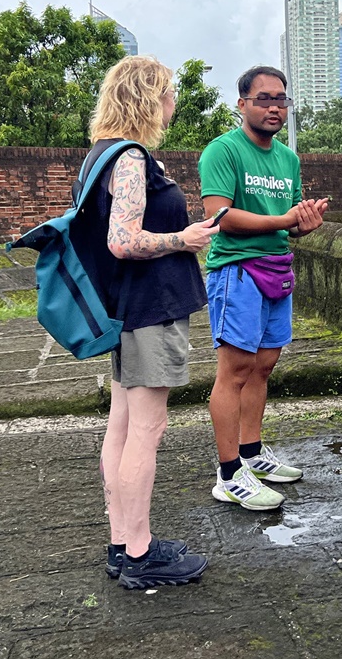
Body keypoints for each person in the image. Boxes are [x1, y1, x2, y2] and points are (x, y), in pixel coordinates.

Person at [86, 56, 219, 589]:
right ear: (147, 98)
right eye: (167, 94)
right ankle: (139, 555)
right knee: (146, 428)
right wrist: (182, 239)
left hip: (125, 308)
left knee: (121, 424)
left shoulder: (100, 153)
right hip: (149, 307)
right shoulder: (131, 158)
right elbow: (123, 239)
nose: (172, 105)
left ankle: (123, 543)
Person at [197, 65, 328, 511]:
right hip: (237, 270)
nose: (274, 107)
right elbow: (220, 216)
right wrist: (285, 220)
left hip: (278, 266)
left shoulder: (287, 158)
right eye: (265, 99)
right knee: (233, 370)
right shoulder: (222, 151)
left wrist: (304, 221)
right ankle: (229, 472)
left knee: (264, 366)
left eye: (281, 100)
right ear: (242, 105)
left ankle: (252, 453)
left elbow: (291, 223)